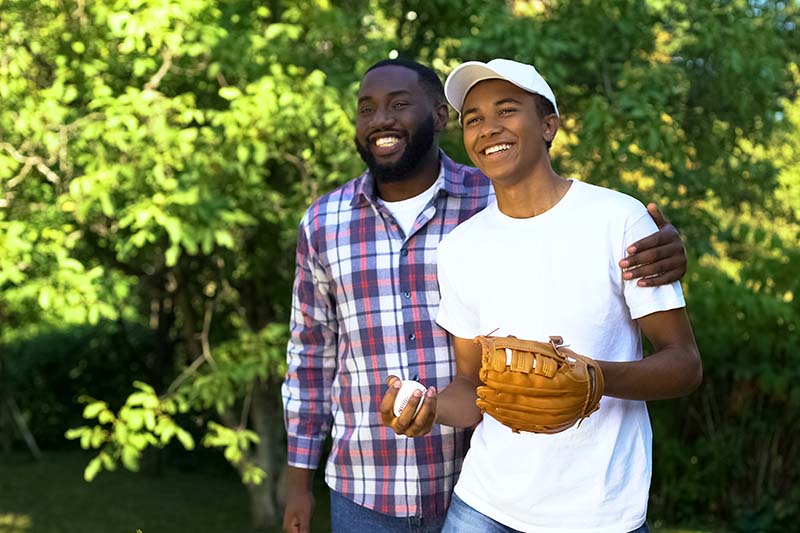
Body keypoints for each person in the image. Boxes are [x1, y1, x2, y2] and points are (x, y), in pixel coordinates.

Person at [283, 58, 689, 533]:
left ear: (549, 125)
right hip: (431, 496)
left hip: (569, 504)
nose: (489, 128)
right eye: (474, 118)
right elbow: (315, 356)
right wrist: (428, 409)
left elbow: (682, 362)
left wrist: (594, 377)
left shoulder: (590, 212)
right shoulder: (431, 240)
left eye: (507, 110)